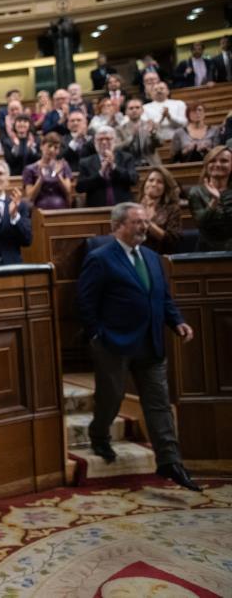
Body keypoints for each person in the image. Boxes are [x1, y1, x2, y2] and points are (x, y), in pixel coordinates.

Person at [77, 202, 199, 491]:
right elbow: (85, 301)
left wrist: (177, 321)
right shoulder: (100, 258)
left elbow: (162, 297)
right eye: (137, 222)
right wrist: (97, 335)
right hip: (113, 344)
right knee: (112, 397)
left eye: (145, 221)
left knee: (158, 403)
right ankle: (100, 436)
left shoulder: (153, 257)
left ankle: (170, 462)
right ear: (117, 226)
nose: (144, 227)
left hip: (151, 342)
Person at [76, 126, 138, 208]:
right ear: (95, 143)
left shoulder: (126, 158)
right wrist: (100, 173)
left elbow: (133, 180)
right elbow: (80, 188)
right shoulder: (85, 162)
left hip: (124, 208)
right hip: (96, 210)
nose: (104, 142)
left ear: (115, 141)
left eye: (108, 139)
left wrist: (114, 166)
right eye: (100, 139)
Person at [188, 146, 232, 251]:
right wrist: (214, 201)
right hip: (207, 251)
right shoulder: (196, 192)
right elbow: (201, 224)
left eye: (224, 161)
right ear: (206, 165)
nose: (217, 164)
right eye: (212, 161)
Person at [136, 166, 183, 254]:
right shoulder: (135, 207)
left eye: (159, 182)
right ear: (145, 184)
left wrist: (148, 223)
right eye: (150, 180)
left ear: (166, 188)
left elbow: (173, 240)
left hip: (161, 256)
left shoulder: (172, 209)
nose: (153, 184)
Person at [22, 132, 72, 210]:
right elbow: (30, 197)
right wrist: (40, 179)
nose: (52, 150)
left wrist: (58, 175)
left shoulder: (63, 166)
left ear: (58, 151)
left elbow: (68, 191)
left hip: (61, 208)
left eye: (56, 148)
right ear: (41, 146)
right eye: (49, 146)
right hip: (39, 210)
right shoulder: (30, 169)